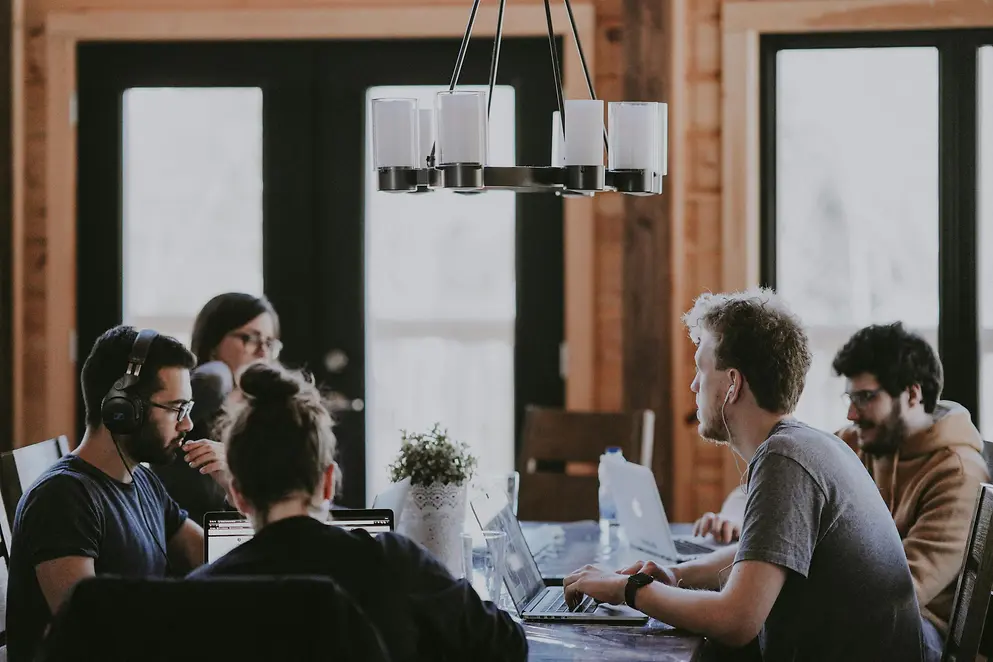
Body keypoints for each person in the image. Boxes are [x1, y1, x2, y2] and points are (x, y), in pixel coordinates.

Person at [562, 289, 925, 662]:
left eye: (701, 370)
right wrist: (674, 574)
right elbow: (762, 553)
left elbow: (736, 620)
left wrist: (628, 589)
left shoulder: (784, 457)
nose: (693, 385)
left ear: (732, 384)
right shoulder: (809, 445)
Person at [188, 362, 528, 662]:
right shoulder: (393, 562)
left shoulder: (199, 595)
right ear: (328, 482)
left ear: (238, 495)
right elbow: (507, 645)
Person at [6, 326, 230, 662]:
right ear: (122, 409)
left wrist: (235, 481)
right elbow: (88, 637)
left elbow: (220, 562)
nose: (187, 425)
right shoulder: (62, 498)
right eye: (176, 409)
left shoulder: (143, 481)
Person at [832, 321, 988, 658]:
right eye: (850, 396)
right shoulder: (855, 441)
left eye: (865, 397)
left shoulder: (958, 472)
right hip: (864, 614)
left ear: (913, 394)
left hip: (923, 632)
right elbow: (783, 483)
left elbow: (901, 592)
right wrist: (731, 516)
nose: (851, 412)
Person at [152, 292, 280, 527]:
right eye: (250, 338)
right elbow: (210, 380)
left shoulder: (270, 409)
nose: (263, 352)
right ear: (213, 343)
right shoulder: (198, 397)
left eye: (269, 343)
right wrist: (219, 372)